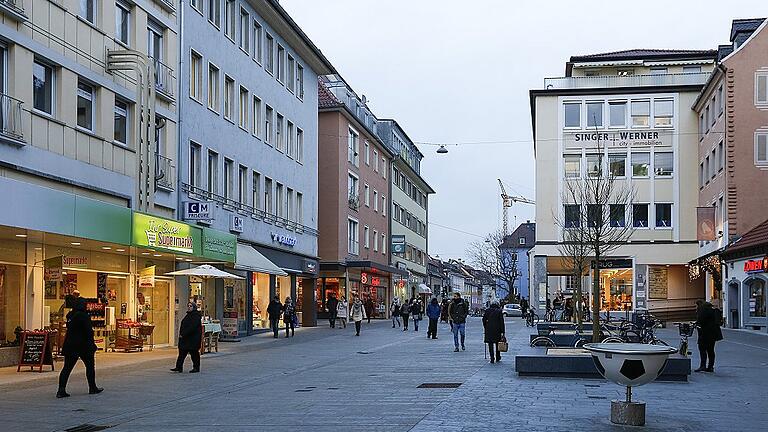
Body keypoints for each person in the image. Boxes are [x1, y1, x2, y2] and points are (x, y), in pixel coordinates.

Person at [57, 298, 102, 398]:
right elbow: (88, 332)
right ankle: (92, 387)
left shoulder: (70, 315)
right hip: (84, 346)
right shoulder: (84, 316)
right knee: (90, 367)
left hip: (70, 345)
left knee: (67, 368)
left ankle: (61, 389)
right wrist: (92, 345)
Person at [170, 301, 203, 374]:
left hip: (192, 339)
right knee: (182, 353)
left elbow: (192, 327)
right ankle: (178, 367)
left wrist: (184, 334)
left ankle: (196, 367)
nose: (189, 307)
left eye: (190, 306)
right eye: (188, 306)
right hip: (185, 339)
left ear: (194, 307)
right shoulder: (188, 315)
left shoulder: (196, 316)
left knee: (194, 354)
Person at [694, 300, 723, 372]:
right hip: (713, 333)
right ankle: (710, 366)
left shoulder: (703, 310)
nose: (695, 307)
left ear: (699, 305)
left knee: (702, 349)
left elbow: (700, 320)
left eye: (696, 306)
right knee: (711, 350)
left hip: (705, 333)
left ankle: (702, 366)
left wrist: (696, 324)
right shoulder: (712, 309)